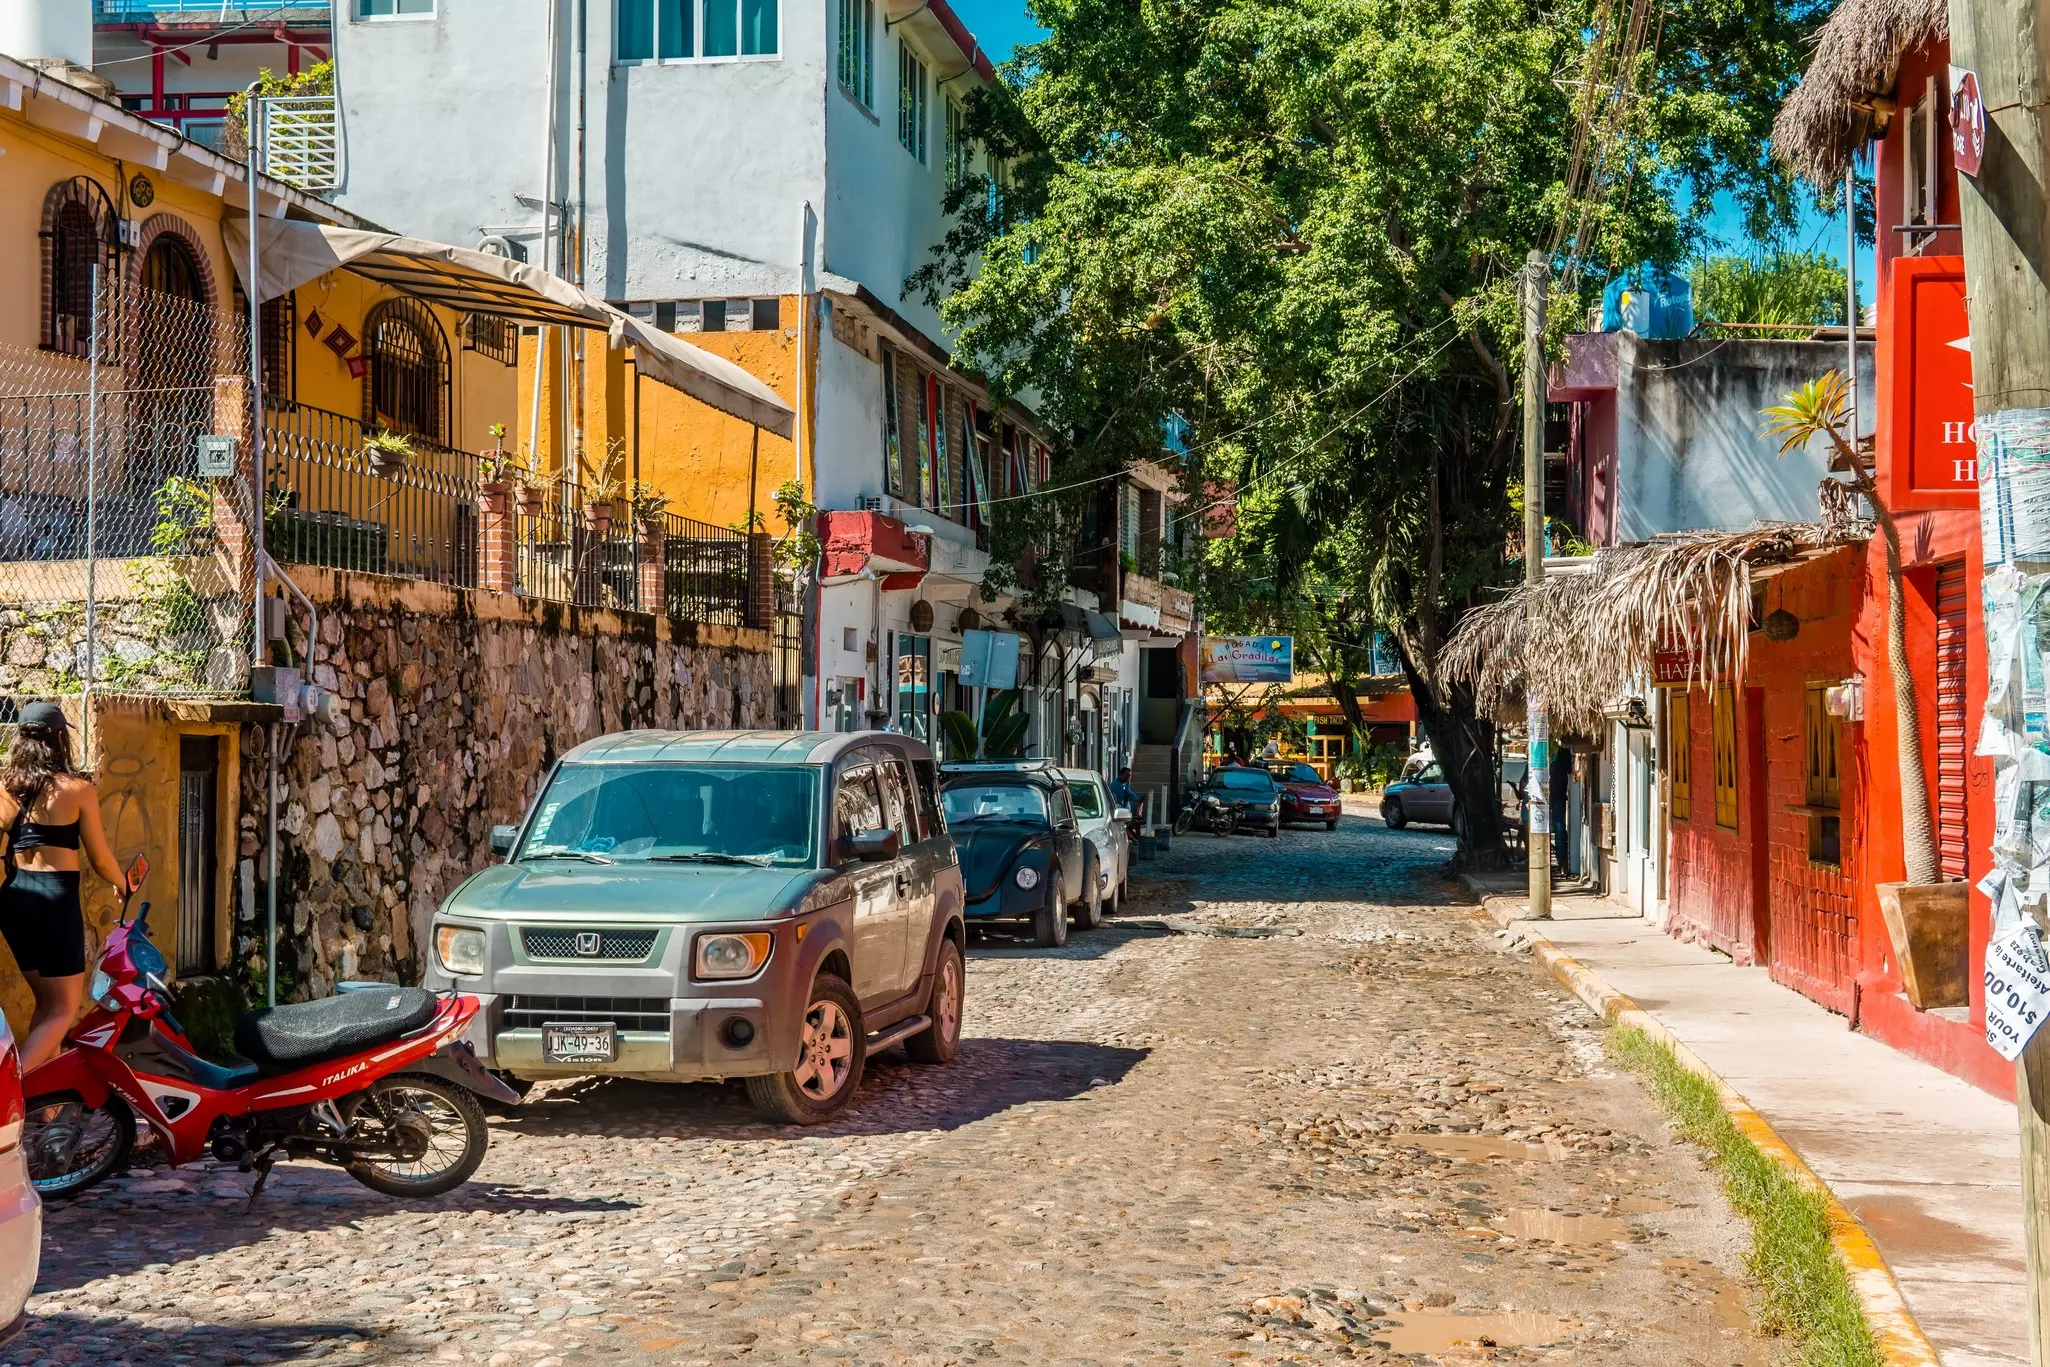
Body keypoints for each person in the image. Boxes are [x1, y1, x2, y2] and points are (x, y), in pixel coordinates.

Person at [0, 703, 132, 1073]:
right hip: (54, 903)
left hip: (13, 899)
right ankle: (9, 1095)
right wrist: (123, 884)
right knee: (63, 1010)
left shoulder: (5, 787)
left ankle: (46, 1108)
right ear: (61, 739)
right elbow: (101, 858)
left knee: (45, 1004)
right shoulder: (77, 790)